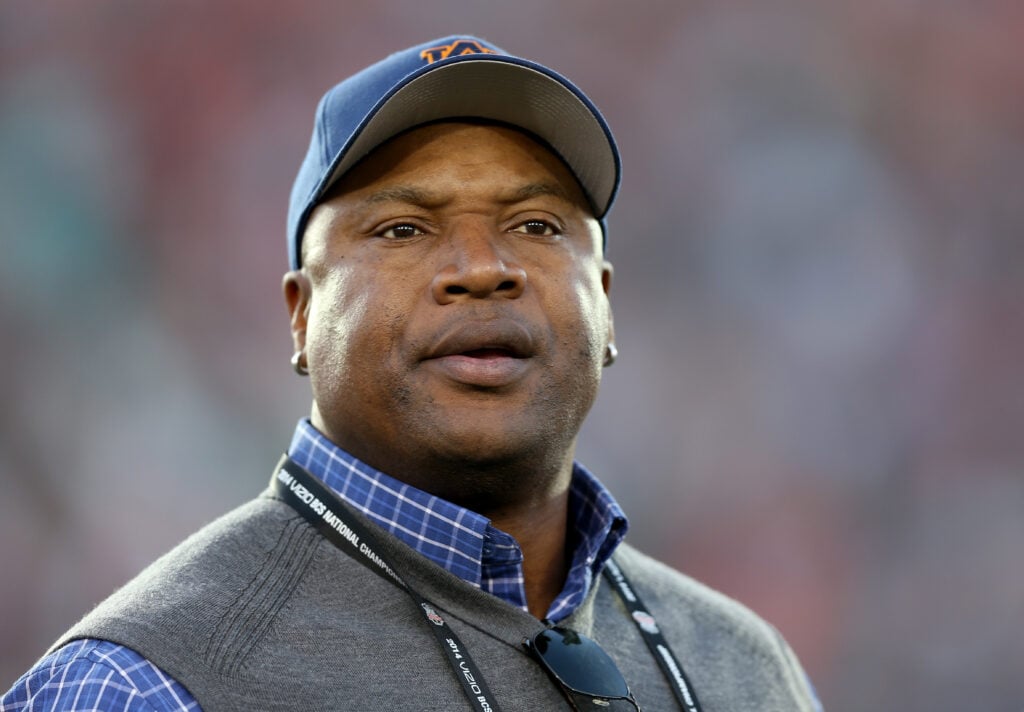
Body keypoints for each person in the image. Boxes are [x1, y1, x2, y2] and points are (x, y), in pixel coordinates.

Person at [2, 36, 822, 711]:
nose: (481, 267)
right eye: (401, 229)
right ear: (300, 314)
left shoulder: (746, 668)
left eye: (536, 224)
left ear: (606, 305)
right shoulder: (143, 685)